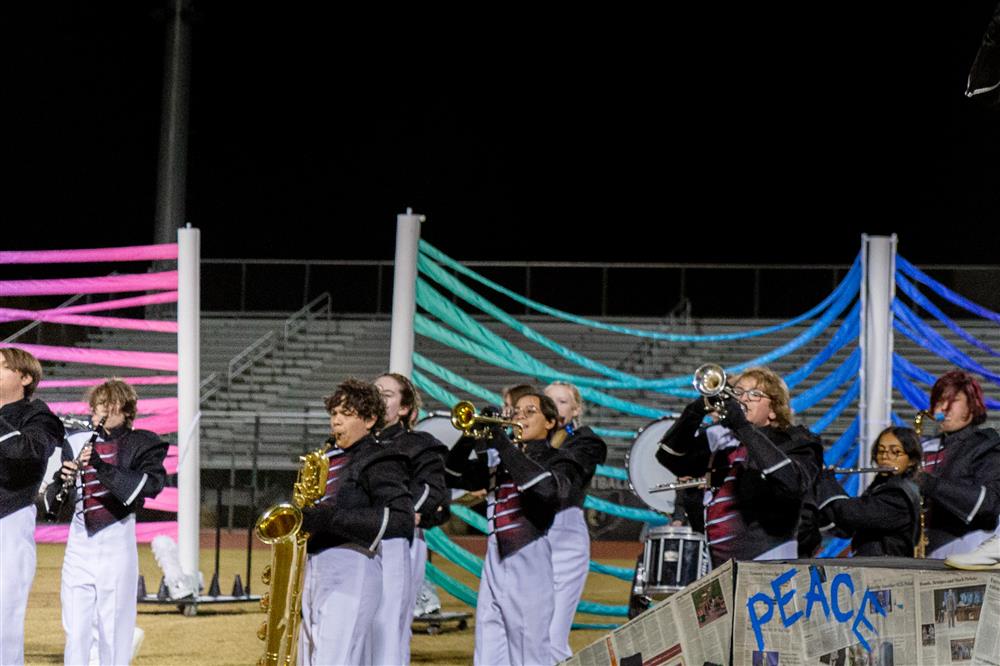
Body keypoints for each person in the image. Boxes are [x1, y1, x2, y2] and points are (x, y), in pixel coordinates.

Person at [445, 391, 583, 666]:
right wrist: (471, 435)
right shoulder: (500, 460)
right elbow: (450, 473)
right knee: (488, 651)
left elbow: (544, 491)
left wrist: (500, 441)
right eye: (517, 411)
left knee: (529, 653)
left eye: (530, 412)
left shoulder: (560, 459)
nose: (520, 416)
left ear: (550, 422)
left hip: (529, 558)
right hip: (495, 559)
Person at [45, 378, 168, 665]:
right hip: (78, 542)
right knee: (75, 628)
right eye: (100, 404)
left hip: (117, 540)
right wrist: (60, 481)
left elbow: (150, 486)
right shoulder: (75, 442)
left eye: (112, 406)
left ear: (127, 411)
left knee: (113, 627)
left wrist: (99, 465)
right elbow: (54, 498)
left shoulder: (143, 443)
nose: (103, 411)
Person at [655, 366, 823, 567]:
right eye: (739, 392)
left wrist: (743, 427)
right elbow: (669, 457)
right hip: (719, 565)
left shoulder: (797, 439)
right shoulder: (722, 439)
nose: (743, 399)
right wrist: (696, 410)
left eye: (754, 394)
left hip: (771, 564)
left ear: (773, 410)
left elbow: (793, 483)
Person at [297, 378, 414, 666]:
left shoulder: (380, 457)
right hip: (316, 566)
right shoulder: (328, 456)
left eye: (346, 415)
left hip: (353, 566)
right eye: (334, 414)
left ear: (370, 418)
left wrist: (328, 517)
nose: (336, 422)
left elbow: (401, 519)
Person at [373, 372, 449, 665]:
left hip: (398, 542)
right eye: (375, 391)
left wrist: (400, 515)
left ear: (404, 409)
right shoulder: (358, 442)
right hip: (357, 540)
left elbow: (432, 490)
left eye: (387, 394)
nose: (378, 398)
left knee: (391, 624)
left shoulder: (419, 443)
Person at [0, 347, 65, 665]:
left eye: (1, 366)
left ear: (25, 377)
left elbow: (29, 449)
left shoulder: (38, 414)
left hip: (9, 519)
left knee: (4, 616)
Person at [543, 380, 607, 663]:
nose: (554, 407)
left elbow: (563, 481)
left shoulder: (585, 440)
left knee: (553, 635)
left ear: (576, 408)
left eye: (562, 401)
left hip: (565, 538)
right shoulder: (531, 440)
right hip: (530, 536)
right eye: (549, 401)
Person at [916, 370, 1000, 561]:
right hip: (925, 555)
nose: (943, 408)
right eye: (938, 401)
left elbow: (989, 504)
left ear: (972, 405)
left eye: (952, 400)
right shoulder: (926, 446)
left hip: (966, 552)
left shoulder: (987, 445)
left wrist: (928, 483)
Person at [816, 427, 922, 557]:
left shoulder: (899, 495)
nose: (885, 457)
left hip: (886, 571)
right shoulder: (880, 487)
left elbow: (852, 515)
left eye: (895, 452)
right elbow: (846, 528)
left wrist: (826, 479)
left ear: (911, 460)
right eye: (881, 451)